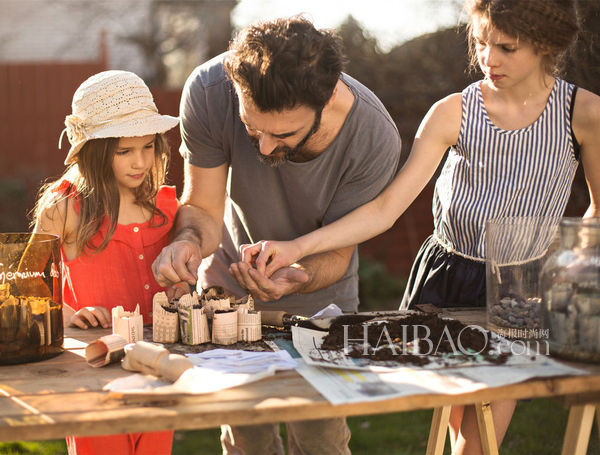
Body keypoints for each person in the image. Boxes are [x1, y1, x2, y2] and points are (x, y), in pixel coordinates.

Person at [239, 1, 600, 454]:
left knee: (483, 426)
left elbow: (597, 216)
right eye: (481, 42)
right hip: (449, 273)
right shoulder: (453, 112)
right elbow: (385, 209)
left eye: (506, 47)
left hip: (521, 282)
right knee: (454, 411)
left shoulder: (582, 113)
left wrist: (571, 268)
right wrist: (298, 247)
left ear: (547, 44)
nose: (489, 58)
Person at [151, 16, 402, 455]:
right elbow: (204, 207)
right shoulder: (210, 90)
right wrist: (186, 241)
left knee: (320, 442)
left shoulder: (374, 137)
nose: (264, 147)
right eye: (252, 129)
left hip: (321, 308)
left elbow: (338, 252)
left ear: (327, 98)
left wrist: (297, 274)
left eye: (282, 133)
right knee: (246, 442)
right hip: (228, 302)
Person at [32, 70, 180, 455]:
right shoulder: (63, 207)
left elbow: (173, 277)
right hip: (92, 368)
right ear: (95, 151)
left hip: (155, 367)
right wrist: (67, 313)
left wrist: (181, 287)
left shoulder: (163, 205)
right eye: (125, 151)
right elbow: (28, 284)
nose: (141, 161)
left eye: (148, 147)